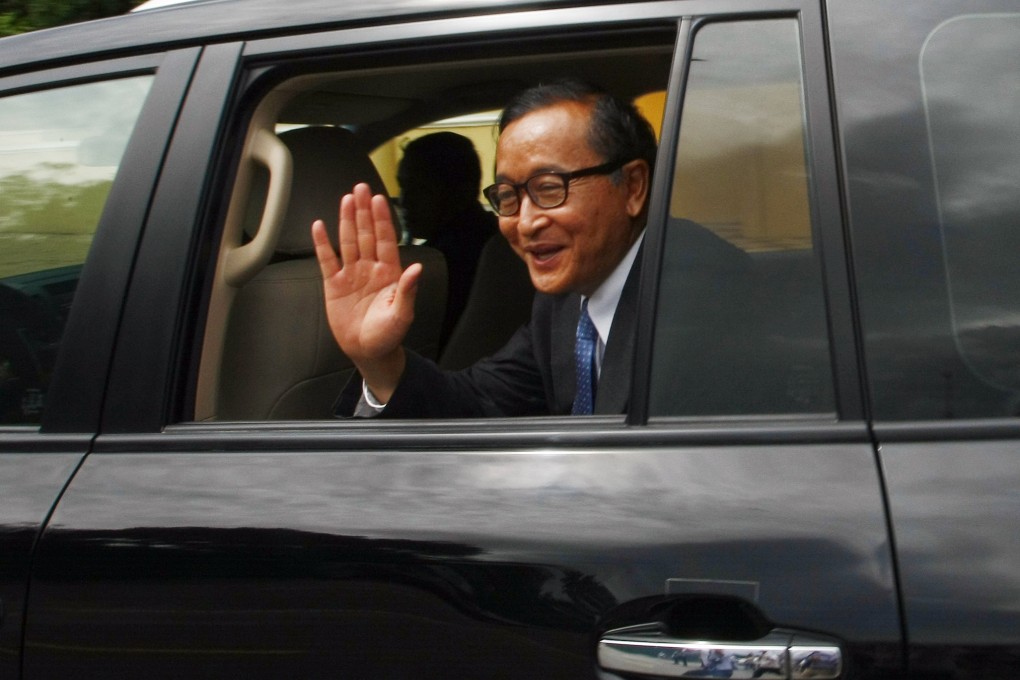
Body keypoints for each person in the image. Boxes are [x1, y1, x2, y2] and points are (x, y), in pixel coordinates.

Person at [311, 79, 656, 417]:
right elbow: (481, 402)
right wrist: (380, 361)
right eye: (507, 196)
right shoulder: (565, 303)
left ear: (632, 188)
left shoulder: (688, 308)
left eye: (550, 188)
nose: (524, 223)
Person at [396, 132, 497, 349]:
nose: (404, 200)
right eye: (403, 187)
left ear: (460, 191)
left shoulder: (434, 266)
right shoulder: (498, 241)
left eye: (419, 188)